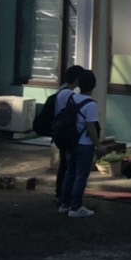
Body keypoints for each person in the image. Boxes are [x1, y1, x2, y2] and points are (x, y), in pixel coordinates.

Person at [60, 69, 101, 219]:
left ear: (79, 84)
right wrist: (98, 145)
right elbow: (91, 128)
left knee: (70, 172)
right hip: (84, 143)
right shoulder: (91, 104)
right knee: (81, 175)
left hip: (70, 141)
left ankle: (65, 204)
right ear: (93, 86)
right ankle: (76, 207)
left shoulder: (72, 98)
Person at [49, 64, 83, 213]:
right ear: (76, 79)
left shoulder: (62, 92)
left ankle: (61, 194)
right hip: (66, 133)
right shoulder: (69, 95)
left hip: (59, 132)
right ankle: (63, 195)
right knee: (67, 166)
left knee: (65, 164)